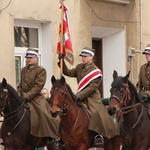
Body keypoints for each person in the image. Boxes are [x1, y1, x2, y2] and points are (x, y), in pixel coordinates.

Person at [58, 47, 119, 146]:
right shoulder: (79, 67)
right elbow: (68, 72)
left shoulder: (96, 71)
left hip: (92, 98)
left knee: (95, 113)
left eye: (85, 56)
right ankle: (61, 135)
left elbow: (92, 87)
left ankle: (98, 135)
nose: (83, 58)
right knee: (66, 111)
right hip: (78, 97)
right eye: (82, 56)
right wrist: (61, 61)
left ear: (91, 57)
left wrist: (77, 96)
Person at [17, 48, 60, 143]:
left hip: (36, 97)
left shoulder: (41, 70)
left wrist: (27, 96)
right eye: (27, 57)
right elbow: (20, 84)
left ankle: (50, 135)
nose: (29, 59)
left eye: (31, 57)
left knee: (44, 113)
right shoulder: (24, 69)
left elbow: (38, 86)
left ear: (36, 57)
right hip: (23, 96)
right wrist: (19, 93)